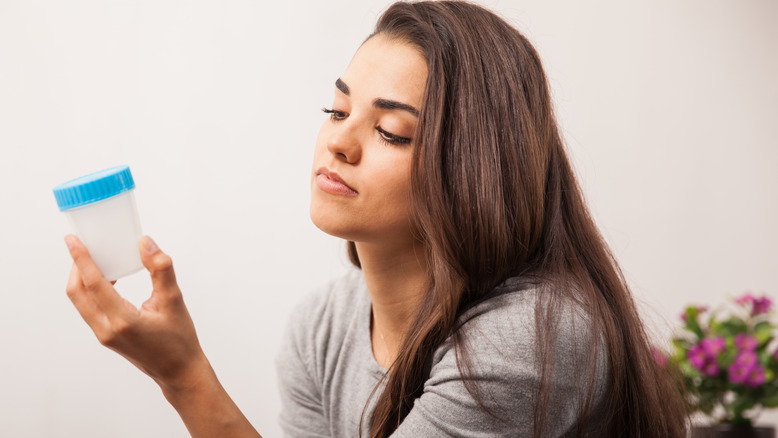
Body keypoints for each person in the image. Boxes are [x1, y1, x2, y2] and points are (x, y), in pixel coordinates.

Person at [64, 1, 688, 437]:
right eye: (337, 111)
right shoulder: (323, 327)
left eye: (391, 131)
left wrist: (182, 374)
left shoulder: (532, 339)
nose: (339, 142)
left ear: (472, 167)